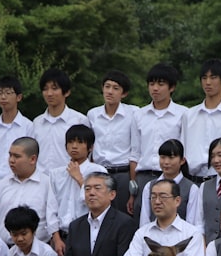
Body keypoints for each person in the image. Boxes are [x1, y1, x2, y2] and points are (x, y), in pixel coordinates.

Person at [129, 63, 187, 222]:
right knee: (143, 222)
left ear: (172, 87)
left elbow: (184, 150)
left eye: (161, 84)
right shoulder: (139, 115)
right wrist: (133, 190)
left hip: (172, 177)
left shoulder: (183, 114)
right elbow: (135, 153)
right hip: (144, 177)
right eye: (152, 84)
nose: (155, 88)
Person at [0, 136, 59, 249]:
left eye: (17, 156)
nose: (11, 160)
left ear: (33, 159)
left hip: (37, 251)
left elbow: (52, 218)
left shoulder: (47, 184)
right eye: (10, 155)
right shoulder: (2, 184)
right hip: (4, 249)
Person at [181, 59, 221, 183]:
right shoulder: (189, 115)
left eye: (213, 77)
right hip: (192, 179)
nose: (208, 82)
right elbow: (183, 148)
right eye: (204, 78)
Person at [88, 70, 138, 213]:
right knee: (98, 213)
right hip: (99, 172)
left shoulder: (133, 113)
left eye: (116, 88)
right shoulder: (93, 115)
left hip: (122, 173)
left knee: (123, 215)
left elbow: (135, 150)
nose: (110, 91)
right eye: (107, 86)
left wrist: (132, 183)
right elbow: (89, 149)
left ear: (124, 93)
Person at [49, 125, 106, 245]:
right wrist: (56, 239)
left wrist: (80, 180)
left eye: (80, 142)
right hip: (62, 236)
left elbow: (100, 203)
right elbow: (51, 208)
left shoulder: (98, 171)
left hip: (89, 234)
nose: (74, 146)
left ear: (90, 147)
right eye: (70, 142)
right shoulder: (55, 173)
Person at [31, 68, 89, 174]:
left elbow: (87, 154)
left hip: (69, 178)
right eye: (45, 89)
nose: (49, 93)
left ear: (66, 92)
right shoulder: (37, 122)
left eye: (54, 88)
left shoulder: (79, 120)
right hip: (41, 181)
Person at [138, 139, 203, 228]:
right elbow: (144, 221)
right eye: (163, 157)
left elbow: (192, 222)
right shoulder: (149, 186)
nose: (166, 162)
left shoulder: (191, 189)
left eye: (171, 158)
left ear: (182, 160)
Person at [0, 75, 34, 185]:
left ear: (19, 97)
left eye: (8, 93)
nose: (3, 97)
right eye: (0, 93)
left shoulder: (28, 126)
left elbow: (31, 159)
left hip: (20, 183)